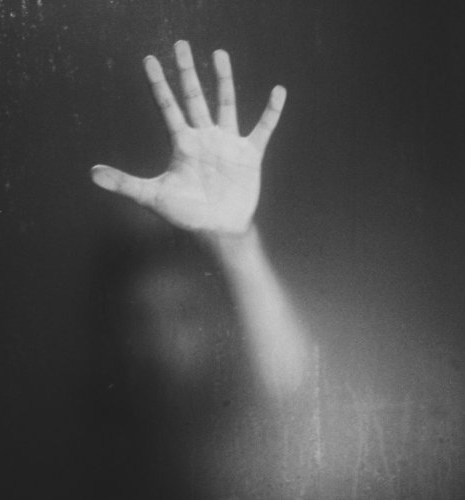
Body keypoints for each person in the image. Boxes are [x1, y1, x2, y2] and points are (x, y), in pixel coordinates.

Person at [91, 40, 310, 498]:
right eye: (141, 317)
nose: (162, 340)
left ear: (215, 316)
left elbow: (291, 381)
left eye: (184, 312)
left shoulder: (243, 421)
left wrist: (235, 241)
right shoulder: (96, 433)